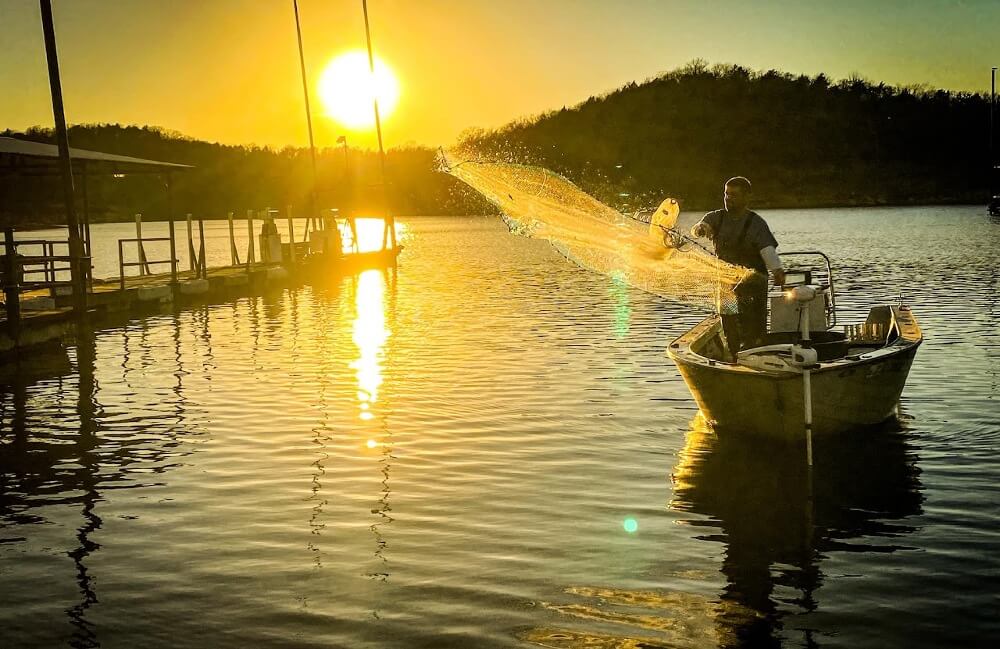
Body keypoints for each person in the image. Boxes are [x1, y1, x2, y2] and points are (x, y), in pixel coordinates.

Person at [691, 177, 785, 359]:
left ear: (747, 197)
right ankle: (734, 356)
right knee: (729, 322)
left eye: (734, 195)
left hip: (753, 285)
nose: (728, 198)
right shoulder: (716, 217)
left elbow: (767, 250)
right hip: (725, 285)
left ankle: (755, 356)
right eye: (726, 194)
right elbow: (697, 228)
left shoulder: (756, 223)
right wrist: (700, 229)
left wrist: (777, 271)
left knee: (754, 325)